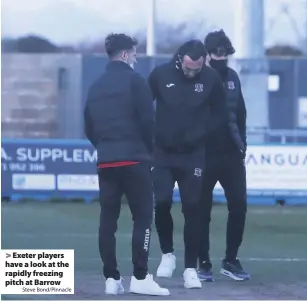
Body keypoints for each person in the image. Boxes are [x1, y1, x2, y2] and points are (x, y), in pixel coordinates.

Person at [84, 33, 169, 296]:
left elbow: (89, 127)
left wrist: (105, 147)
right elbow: (148, 122)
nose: (135, 58)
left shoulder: (95, 86)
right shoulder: (136, 81)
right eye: (133, 53)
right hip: (135, 159)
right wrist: (148, 152)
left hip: (107, 161)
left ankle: (111, 279)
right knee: (143, 217)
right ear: (124, 54)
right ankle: (141, 277)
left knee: (108, 219)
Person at [148, 39, 228, 289]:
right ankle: (167, 254)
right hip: (162, 153)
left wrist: (202, 132)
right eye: (188, 68)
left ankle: (191, 268)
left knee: (193, 208)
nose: (192, 72)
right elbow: (142, 106)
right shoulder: (160, 74)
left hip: (193, 154)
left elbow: (222, 112)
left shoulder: (211, 78)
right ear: (179, 59)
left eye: (197, 69)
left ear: (204, 61)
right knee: (161, 203)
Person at [197, 29, 249, 282]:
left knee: (239, 206)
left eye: (225, 52)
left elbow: (240, 113)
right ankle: (203, 261)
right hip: (204, 155)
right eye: (217, 52)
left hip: (231, 155)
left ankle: (231, 259)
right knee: (201, 210)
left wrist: (243, 144)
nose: (222, 57)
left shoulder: (233, 78)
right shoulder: (198, 79)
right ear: (207, 55)